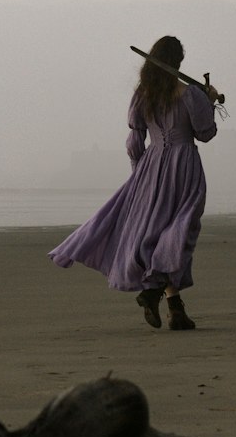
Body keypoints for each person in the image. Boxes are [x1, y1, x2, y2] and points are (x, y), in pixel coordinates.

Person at [49, 36, 219, 330]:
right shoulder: (189, 94)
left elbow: (134, 142)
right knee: (179, 231)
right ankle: (153, 293)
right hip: (183, 167)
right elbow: (205, 133)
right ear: (178, 62)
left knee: (158, 234)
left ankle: (175, 309)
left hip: (151, 166)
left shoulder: (144, 95)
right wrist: (210, 101)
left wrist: (140, 174)